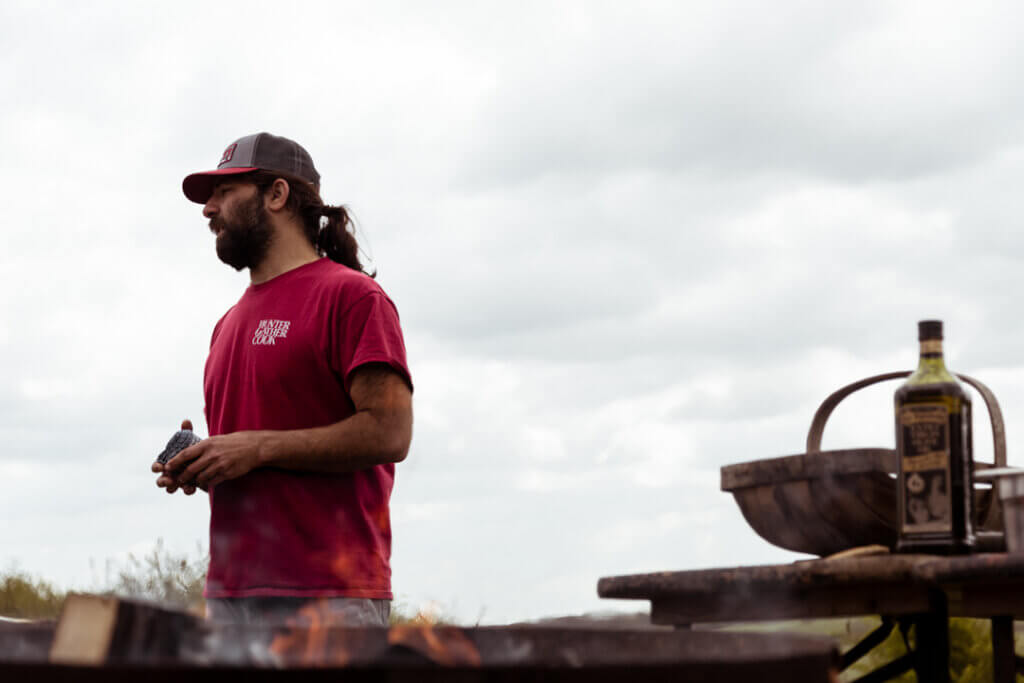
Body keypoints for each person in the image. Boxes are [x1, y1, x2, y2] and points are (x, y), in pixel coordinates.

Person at [153, 132, 413, 627]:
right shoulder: (225, 326)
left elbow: (391, 431)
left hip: (330, 599)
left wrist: (254, 448)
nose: (208, 209)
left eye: (224, 192)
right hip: (231, 599)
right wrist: (208, 462)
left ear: (276, 195)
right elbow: (263, 460)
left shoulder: (354, 299)